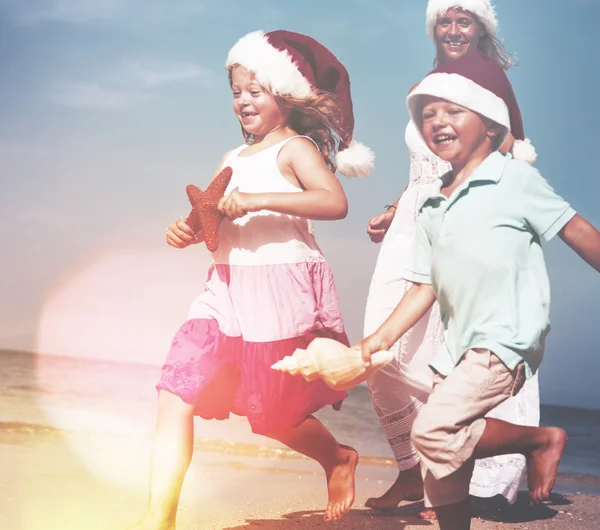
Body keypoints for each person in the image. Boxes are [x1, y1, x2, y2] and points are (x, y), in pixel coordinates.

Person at [131, 30, 375, 529]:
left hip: (278, 291)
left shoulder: (295, 150)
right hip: (225, 289)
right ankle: (159, 520)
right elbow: (209, 218)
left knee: (273, 416)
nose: (243, 100)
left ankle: (338, 458)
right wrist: (186, 229)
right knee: (176, 392)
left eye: (255, 91)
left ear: (285, 95)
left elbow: (334, 202)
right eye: (236, 91)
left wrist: (261, 200)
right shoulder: (230, 159)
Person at [359, 49, 600, 530]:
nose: (438, 121)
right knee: (445, 465)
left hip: (506, 334)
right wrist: (378, 341)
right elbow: (422, 286)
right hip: (455, 345)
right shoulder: (430, 205)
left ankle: (537, 440)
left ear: (491, 125)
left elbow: (579, 233)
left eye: (452, 111)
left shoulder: (515, 179)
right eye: (428, 115)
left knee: (434, 429)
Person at [363, 0, 538, 515]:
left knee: (452, 353)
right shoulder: (431, 78)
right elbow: (422, 165)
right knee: (382, 349)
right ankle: (412, 471)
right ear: (433, 27)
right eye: (446, 20)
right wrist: (395, 209)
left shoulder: (487, 77)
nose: (455, 29)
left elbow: (510, 153)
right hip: (410, 227)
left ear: (481, 27)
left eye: (466, 20)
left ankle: (478, 466)